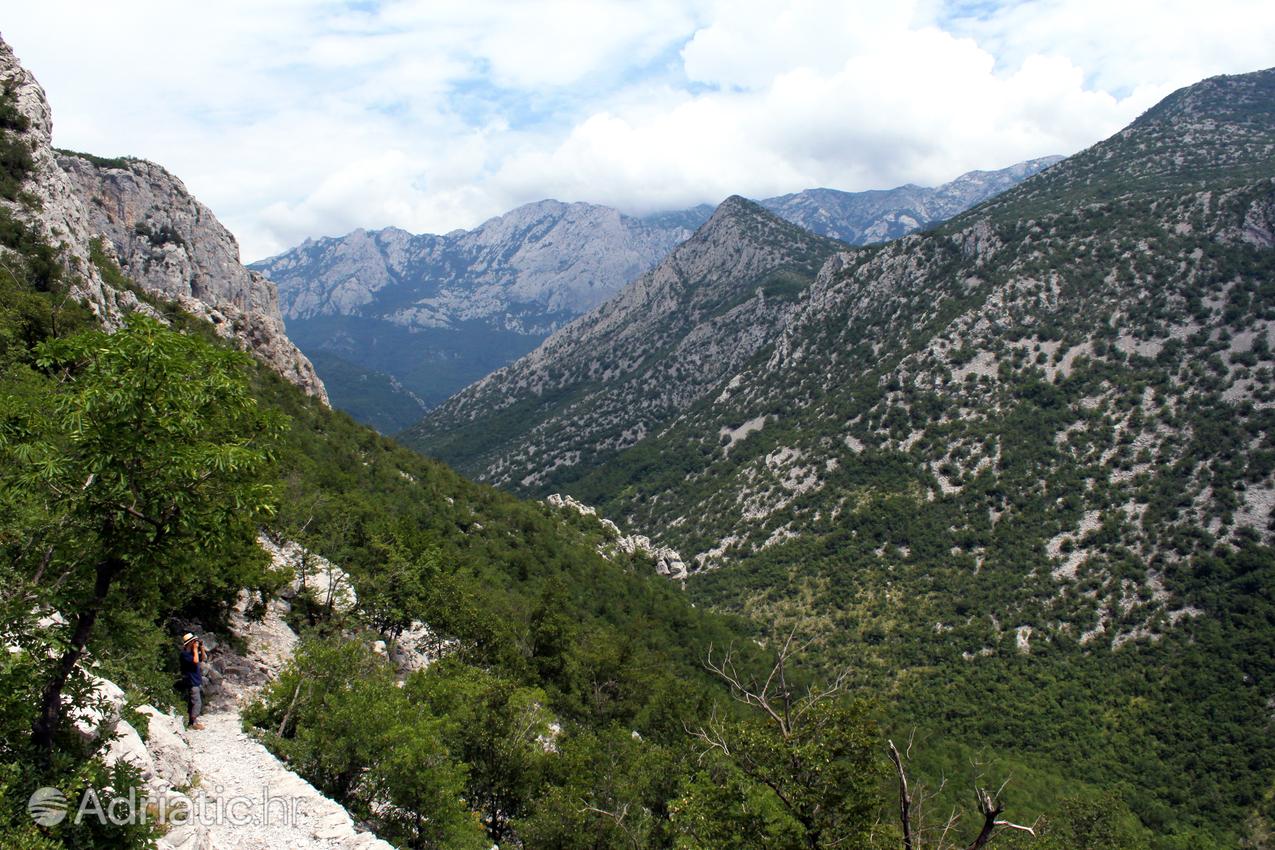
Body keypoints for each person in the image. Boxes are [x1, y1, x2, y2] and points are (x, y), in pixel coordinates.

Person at [179, 632, 206, 730]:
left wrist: (201, 648)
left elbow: (203, 658)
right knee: (196, 701)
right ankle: (194, 722)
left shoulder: (192, 653)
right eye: (193, 641)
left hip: (196, 680)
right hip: (191, 680)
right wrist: (195, 649)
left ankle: (191, 721)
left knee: (192, 702)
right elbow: (195, 661)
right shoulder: (185, 654)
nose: (195, 643)